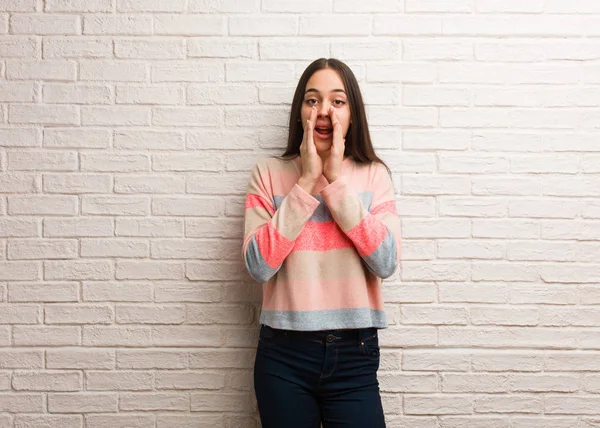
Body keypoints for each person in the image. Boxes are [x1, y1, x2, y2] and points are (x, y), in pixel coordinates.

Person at [242, 58, 401, 428]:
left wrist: (334, 181)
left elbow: (386, 261)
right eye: (312, 100)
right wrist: (306, 182)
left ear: (352, 114)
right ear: (300, 112)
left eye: (338, 101)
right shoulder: (268, 174)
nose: (324, 111)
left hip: (355, 354)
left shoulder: (374, 176)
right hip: (283, 355)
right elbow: (258, 265)